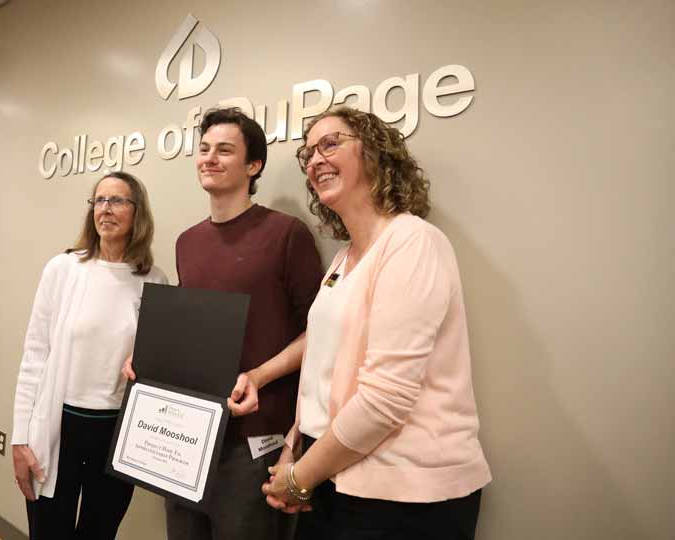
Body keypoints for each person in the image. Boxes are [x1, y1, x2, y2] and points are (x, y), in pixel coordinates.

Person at [262, 106, 492, 539]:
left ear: (375, 154)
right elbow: (323, 372)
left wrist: (298, 478)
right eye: (308, 153)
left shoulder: (413, 242)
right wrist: (294, 448)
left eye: (331, 143)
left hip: (404, 497)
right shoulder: (342, 259)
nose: (314, 160)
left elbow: (385, 398)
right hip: (331, 473)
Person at [125, 107, 323, 540]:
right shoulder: (187, 242)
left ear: (253, 166)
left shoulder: (287, 234)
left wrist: (258, 375)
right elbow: (191, 328)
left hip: (254, 440)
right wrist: (145, 356)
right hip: (187, 433)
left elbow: (322, 334)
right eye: (204, 149)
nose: (209, 158)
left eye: (225, 150)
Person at [11, 172, 168, 540]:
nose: (106, 209)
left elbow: (155, 362)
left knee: (99, 532)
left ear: (137, 212)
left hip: (115, 434)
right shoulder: (63, 269)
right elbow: (34, 355)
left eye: (117, 201)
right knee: (49, 531)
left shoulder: (154, 281)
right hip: (58, 426)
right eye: (99, 200)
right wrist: (20, 437)